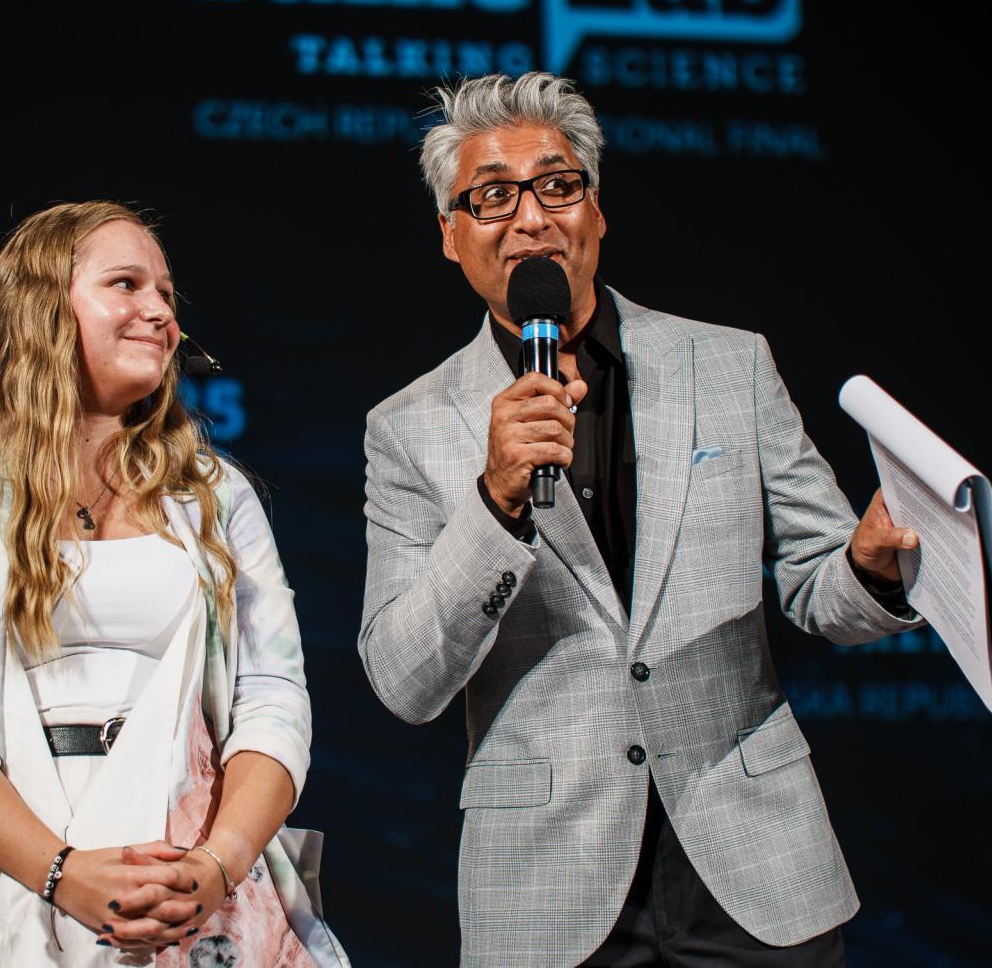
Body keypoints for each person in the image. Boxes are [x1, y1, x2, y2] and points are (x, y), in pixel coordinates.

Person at [358, 73, 926, 967]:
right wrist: (495, 500)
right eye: (493, 196)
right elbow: (404, 679)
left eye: (557, 184)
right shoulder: (408, 426)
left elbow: (824, 589)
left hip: (751, 862)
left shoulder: (729, 365)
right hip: (549, 884)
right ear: (450, 233)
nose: (531, 217)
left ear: (596, 208)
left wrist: (871, 564)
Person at [0, 201, 348, 967]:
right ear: (42, 308)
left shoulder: (215, 497)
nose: (160, 312)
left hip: (189, 881)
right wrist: (61, 872)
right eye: (126, 284)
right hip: (1, 876)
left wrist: (214, 867)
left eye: (167, 294)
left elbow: (275, 700)